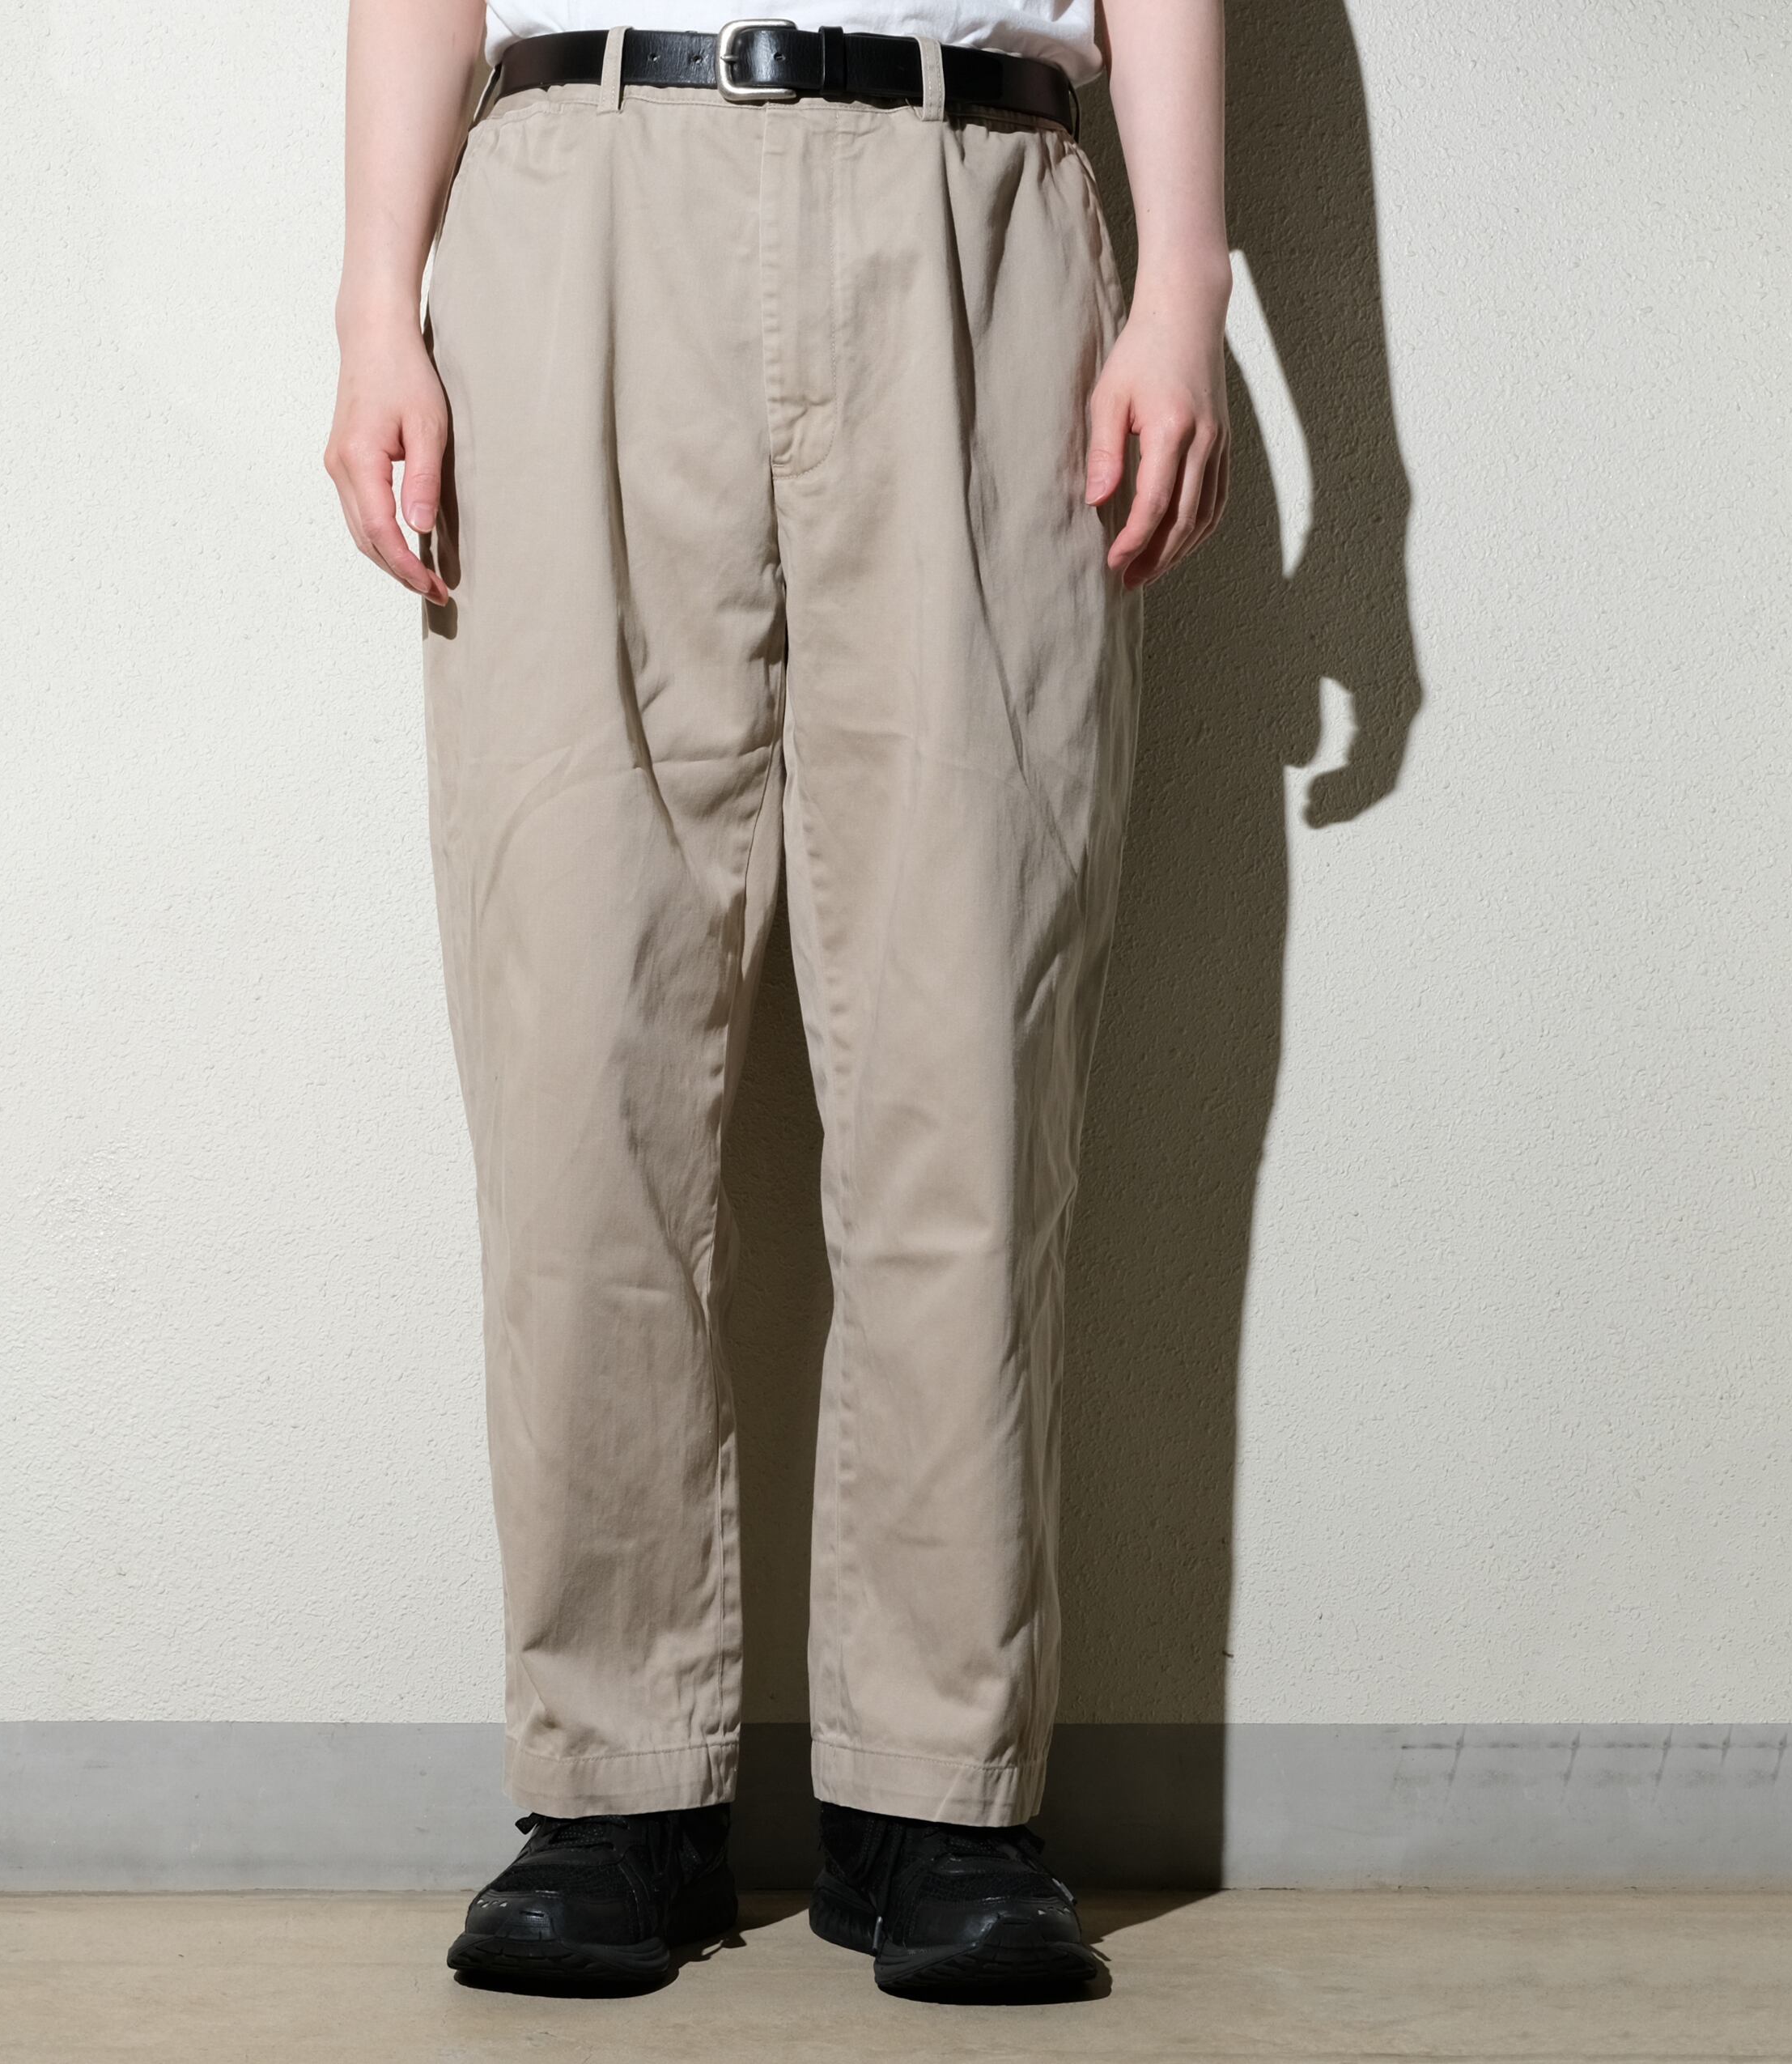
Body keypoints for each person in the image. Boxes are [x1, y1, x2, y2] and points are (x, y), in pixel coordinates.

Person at [326, 0, 1230, 2001]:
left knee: (968, 1035)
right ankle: (612, 1789)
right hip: (583, 186)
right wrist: (376, 306)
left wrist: (1183, 288)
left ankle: (944, 1793)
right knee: (579, 1030)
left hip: (976, 197)